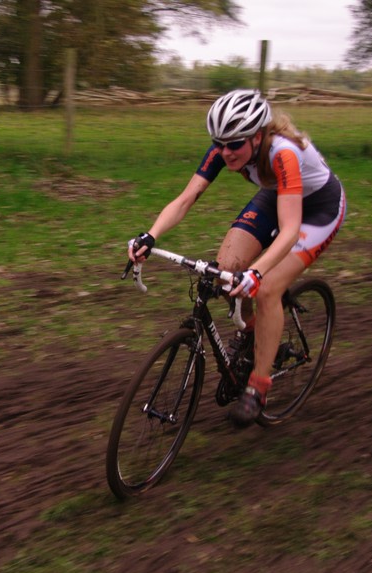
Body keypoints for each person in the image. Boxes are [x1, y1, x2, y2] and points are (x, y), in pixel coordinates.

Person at [127, 89, 346, 429]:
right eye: (219, 143)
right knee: (226, 271)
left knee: (267, 288)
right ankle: (255, 335)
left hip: (319, 210)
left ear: (258, 137)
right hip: (277, 195)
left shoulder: (283, 153)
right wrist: (150, 235)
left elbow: (290, 231)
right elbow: (186, 198)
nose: (225, 152)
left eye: (234, 144)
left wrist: (257, 272)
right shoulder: (226, 148)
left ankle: (258, 388)